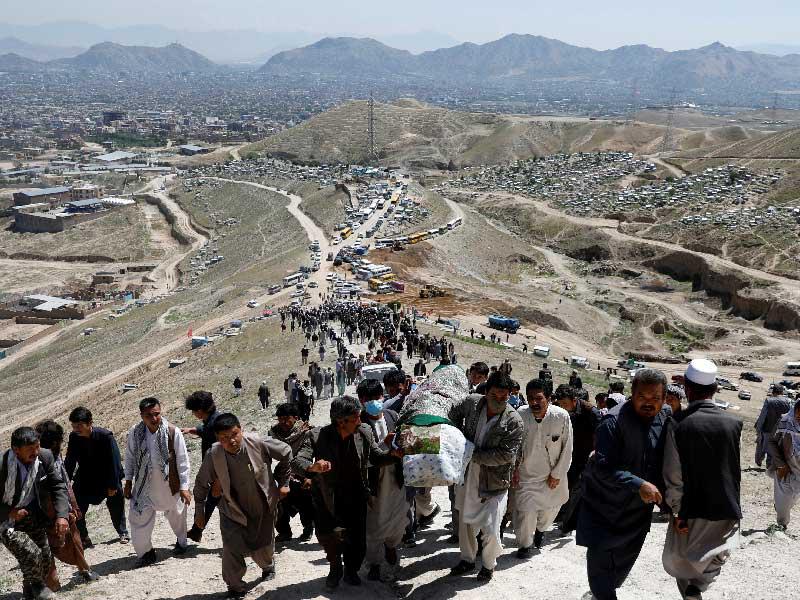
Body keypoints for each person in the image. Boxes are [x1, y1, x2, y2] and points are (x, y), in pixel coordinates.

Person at [576, 369, 670, 600]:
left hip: (637, 514)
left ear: (664, 398)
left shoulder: (665, 416)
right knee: (600, 570)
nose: (649, 403)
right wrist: (638, 484)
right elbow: (603, 467)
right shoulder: (613, 422)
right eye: (642, 397)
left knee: (620, 570)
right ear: (632, 394)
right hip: (604, 509)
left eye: (655, 398)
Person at [292, 396, 396, 590]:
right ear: (341, 421)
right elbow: (297, 462)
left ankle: (350, 570)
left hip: (356, 494)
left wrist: (393, 455)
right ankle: (334, 568)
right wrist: (313, 467)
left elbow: (376, 456)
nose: (361, 420)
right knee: (327, 536)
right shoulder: (317, 436)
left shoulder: (364, 431)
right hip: (326, 496)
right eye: (356, 417)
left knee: (357, 539)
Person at [662, 359, 743, 600]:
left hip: (691, 509)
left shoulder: (677, 424)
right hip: (726, 506)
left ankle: (692, 590)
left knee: (683, 560)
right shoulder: (734, 423)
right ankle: (699, 588)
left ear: (687, 388)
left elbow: (673, 473)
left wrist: (677, 512)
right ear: (716, 389)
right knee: (717, 554)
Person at [193, 413, 291, 599]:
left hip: (262, 506)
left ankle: (268, 566)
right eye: (224, 438)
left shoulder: (257, 442)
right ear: (217, 439)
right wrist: (199, 512)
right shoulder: (214, 454)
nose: (231, 441)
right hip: (232, 510)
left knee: (264, 547)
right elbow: (200, 484)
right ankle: (235, 586)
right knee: (231, 548)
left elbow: (286, 451)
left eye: (234, 434)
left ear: (241, 430)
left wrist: (283, 482)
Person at [448, 371, 524, 582]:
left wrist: (470, 452)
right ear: (486, 392)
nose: (499, 399)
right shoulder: (472, 404)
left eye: (504, 396)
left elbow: (507, 455)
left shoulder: (514, 421)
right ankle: (467, 559)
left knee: (491, 527)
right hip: (467, 475)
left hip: (494, 481)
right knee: (465, 521)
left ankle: (489, 565)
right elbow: (451, 414)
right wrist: (455, 437)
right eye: (495, 394)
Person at [1, 427, 69, 600]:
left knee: (45, 555)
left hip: (31, 514)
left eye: (37, 447)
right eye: (30, 450)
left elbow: (58, 485)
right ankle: (39, 587)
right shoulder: (2, 464)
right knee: (30, 552)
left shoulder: (44, 457)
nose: (36, 452)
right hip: (5, 519)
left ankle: (29, 590)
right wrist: (10, 511)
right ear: (16, 450)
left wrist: (62, 515)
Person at [124, 397, 191, 567]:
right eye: (148, 416)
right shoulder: (135, 432)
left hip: (169, 485)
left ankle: (182, 542)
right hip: (143, 487)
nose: (153, 419)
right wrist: (129, 481)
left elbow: (183, 461)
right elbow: (130, 457)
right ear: (141, 416)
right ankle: (146, 553)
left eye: (156, 414)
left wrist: (184, 487)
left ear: (161, 412)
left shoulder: (172, 432)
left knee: (177, 515)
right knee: (138, 519)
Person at [34, 421, 99, 591]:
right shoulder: (39, 460)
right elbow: (58, 486)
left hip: (61, 509)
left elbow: (65, 482)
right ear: (56, 441)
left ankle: (83, 570)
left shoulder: (54, 457)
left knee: (73, 540)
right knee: (46, 547)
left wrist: (73, 506)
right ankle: (52, 584)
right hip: (48, 511)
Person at [356, 380, 409, 581]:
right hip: (374, 480)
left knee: (397, 516)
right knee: (374, 523)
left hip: (396, 477)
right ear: (361, 400)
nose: (374, 402)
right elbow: (360, 455)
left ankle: (392, 546)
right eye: (368, 399)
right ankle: (375, 562)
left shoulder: (392, 416)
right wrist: (384, 444)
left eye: (377, 398)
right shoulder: (358, 423)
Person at [514, 379, 572, 558]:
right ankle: (525, 545)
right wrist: (514, 469)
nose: (534, 403)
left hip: (551, 476)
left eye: (539, 398)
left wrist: (557, 474)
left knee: (549, 510)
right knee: (525, 512)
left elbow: (567, 447)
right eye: (530, 398)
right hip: (526, 476)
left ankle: (540, 530)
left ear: (549, 398)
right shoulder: (520, 415)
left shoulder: (561, 417)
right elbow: (513, 445)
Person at [64, 406, 129, 548]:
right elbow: (70, 461)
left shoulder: (105, 436)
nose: (76, 429)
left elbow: (114, 461)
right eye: (74, 426)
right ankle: (84, 537)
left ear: (90, 422)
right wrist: (65, 483)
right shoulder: (74, 437)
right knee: (77, 505)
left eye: (79, 425)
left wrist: (112, 485)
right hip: (86, 477)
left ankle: (122, 532)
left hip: (108, 476)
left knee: (116, 502)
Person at [556, 386, 600, 533]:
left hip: (585, 456)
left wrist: (596, 452)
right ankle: (561, 515)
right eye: (560, 404)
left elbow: (602, 432)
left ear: (575, 400)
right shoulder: (561, 410)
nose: (562, 407)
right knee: (564, 485)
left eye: (565, 404)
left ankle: (567, 524)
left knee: (575, 490)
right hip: (568, 453)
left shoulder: (590, 411)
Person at [181, 391, 222, 543]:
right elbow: (204, 430)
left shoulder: (215, 423)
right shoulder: (213, 419)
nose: (193, 413)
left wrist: (218, 480)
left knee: (224, 503)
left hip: (220, 473)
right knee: (211, 500)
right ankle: (197, 530)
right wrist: (192, 430)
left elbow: (222, 452)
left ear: (199, 411)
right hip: (214, 472)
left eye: (193, 410)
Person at [270, 404, 314, 543]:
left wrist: (309, 476)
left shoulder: (307, 432)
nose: (283, 422)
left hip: (303, 472)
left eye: (286, 419)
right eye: (280, 419)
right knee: (276, 503)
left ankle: (308, 529)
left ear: (295, 418)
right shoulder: (273, 434)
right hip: (282, 472)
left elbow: (312, 454)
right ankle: (284, 532)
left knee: (305, 504)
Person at [767, 398, 800, 529]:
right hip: (785, 467)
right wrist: (781, 464)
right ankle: (782, 524)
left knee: (793, 497)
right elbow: (771, 441)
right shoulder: (784, 421)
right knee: (784, 498)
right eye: (798, 412)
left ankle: (782, 508)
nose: (799, 417)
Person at [754, 385, 791, 468]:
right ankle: (769, 465)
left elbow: (763, 416)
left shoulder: (769, 401)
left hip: (767, 429)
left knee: (762, 446)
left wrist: (758, 429)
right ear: (782, 392)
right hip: (780, 431)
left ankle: (759, 462)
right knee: (774, 448)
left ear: (773, 392)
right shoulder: (788, 401)